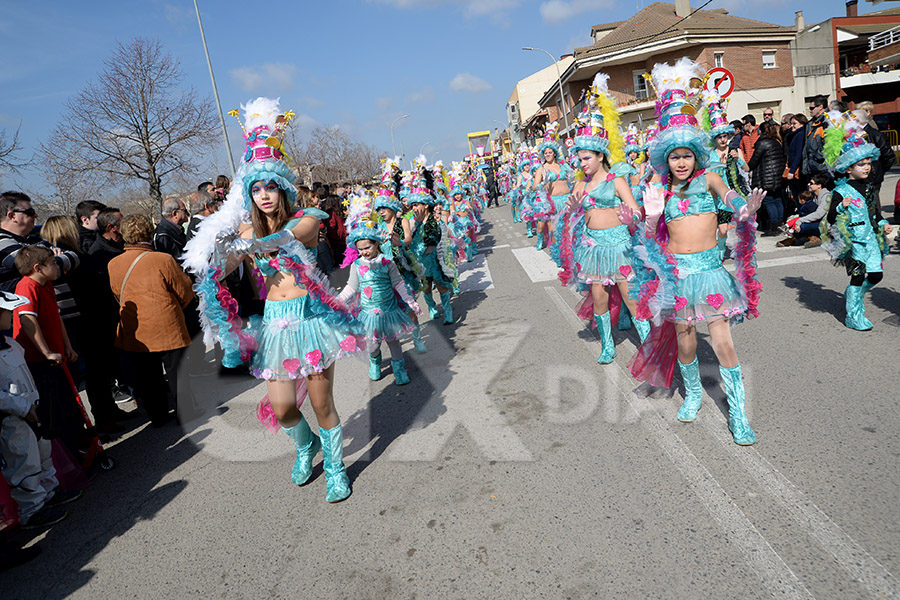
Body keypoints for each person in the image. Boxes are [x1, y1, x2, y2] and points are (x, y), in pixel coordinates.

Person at [183, 98, 364, 502]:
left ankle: (336, 468)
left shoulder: (308, 219)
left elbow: (279, 241)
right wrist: (209, 257)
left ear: (282, 189)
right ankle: (306, 446)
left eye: (271, 187)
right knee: (283, 408)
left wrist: (246, 242)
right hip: (276, 321)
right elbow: (225, 264)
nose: (264, 195)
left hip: (311, 316)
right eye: (256, 188)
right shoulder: (246, 227)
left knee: (322, 403)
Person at [631, 57, 765, 446]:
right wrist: (652, 215)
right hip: (676, 275)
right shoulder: (659, 186)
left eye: (687, 154)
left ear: (696, 154)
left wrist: (744, 209)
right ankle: (692, 395)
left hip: (709, 270)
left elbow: (730, 197)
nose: (682, 162)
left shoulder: (708, 177)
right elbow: (648, 237)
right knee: (687, 339)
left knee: (722, 339)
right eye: (675, 156)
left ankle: (738, 414)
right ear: (665, 158)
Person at [557, 72, 649, 364]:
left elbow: (636, 211)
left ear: (599, 156)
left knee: (631, 300)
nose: (581, 163)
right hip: (594, 247)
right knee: (599, 298)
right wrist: (572, 210)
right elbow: (573, 213)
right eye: (579, 158)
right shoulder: (580, 183)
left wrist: (630, 216)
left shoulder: (616, 179)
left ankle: (648, 348)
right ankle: (607, 345)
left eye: (586, 158)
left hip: (620, 245)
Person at [0, 291, 79, 529]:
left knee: (43, 452)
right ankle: (31, 510)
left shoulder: (10, 343)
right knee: (24, 462)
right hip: (13, 417)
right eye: (6, 312)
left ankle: (48, 492)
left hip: (33, 408)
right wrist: (22, 407)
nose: (10, 315)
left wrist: (34, 402)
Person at [108, 214, 195, 426]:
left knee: (147, 374)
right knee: (176, 370)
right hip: (166, 322)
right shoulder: (162, 259)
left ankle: (157, 415)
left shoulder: (113, 264)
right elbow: (184, 291)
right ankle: (186, 412)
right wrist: (173, 308)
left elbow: (117, 293)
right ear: (149, 232)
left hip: (135, 326)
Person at [338, 194, 422, 385]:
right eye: (360, 249)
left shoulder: (387, 261)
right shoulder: (357, 265)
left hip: (389, 310)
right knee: (372, 344)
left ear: (376, 243)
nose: (364, 252)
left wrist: (410, 301)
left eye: (367, 247)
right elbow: (352, 287)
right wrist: (338, 300)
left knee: (393, 341)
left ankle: (399, 369)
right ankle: (375, 362)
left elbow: (398, 284)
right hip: (368, 313)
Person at [12, 246, 88, 456]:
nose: (58, 266)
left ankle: (80, 447)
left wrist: (67, 346)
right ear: (38, 267)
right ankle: (69, 458)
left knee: (68, 405)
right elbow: (27, 320)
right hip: (39, 361)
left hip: (57, 357)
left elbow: (57, 317)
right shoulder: (27, 286)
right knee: (55, 412)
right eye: (53, 263)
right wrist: (46, 352)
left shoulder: (46, 284)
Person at [821, 114, 891, 331]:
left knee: (877, 276)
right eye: (861, 164)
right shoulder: (841, 191)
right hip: (852, 242)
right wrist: (842, 206)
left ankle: (855, 294)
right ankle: (854, 314)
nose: (867, 167)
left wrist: (882, 223)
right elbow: (831, 217)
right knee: (858, 276)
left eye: (868, 163)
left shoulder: (870, 187)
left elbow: (873, 212)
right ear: (848, 168)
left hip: (870, 241)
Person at [0, 192, 79, 294]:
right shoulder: (2, 242)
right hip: (30, 308)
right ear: (12, 216)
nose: (35, 216)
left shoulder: (37, 239)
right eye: (30, 212)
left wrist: (49, 266)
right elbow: (30, 267)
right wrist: (58, 266)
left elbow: (74, 257)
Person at [748, 121, 787, 236]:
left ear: (761, 131)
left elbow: (754, 161)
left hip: (766, 177)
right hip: (777, 177)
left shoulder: (763, 143)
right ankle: (779, 223)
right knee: (777, 199)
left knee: (768, 201)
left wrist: (747, 166)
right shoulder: (777, 142)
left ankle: (773, 227)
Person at [855, 109, 896, 202]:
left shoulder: (875, 134)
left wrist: (879, 170)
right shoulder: (855, 134)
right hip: (861, 177)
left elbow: (888, 156)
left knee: (873, 205)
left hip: (872, 178)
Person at [802, 95, 830, 179]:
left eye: (811, 108)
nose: (810, 111)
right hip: (811, 168)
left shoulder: (829, 122)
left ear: (820, 107)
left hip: (823, 169)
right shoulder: (810, 123)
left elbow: (831, 146)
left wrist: (817, 157)